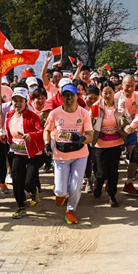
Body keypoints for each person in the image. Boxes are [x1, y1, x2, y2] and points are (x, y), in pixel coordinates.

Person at [44, 83, 93, 224]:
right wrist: (47, 144)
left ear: (77, 96)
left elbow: (90, 134)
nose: (69, 98)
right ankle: (61, 194)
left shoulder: (83, 113)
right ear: (61, 97)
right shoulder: (55, 114)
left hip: (79, 154)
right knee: (60, 190)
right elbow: (47, 130)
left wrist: (82, 139)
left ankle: (71, 210)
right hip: (61, 155)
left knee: (76, 187)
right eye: (66, 95)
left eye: (72, 95)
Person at [4, 87, 46, 219]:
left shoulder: (32, 116)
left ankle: (33, 191)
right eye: (15, 100)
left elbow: (40, 131)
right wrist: (2, 135)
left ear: (26, 101)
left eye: (20, 100)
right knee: (16, 181)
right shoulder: (9, 115)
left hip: (33, 153)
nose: (17, 103)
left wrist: (30, 136)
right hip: (17, 153)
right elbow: (8, 134)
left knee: (28, 183)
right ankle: (21, 207)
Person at [91, 81, 126, 207]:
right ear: (101, 93)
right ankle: (98, 184)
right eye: (105, 92)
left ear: (114, 92)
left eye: (110, 92)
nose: (107, 95)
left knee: (113, 171)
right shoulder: (96, 107)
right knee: (101, 173)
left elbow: (127, 121)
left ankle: (112, 196)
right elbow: (90, 123)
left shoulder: (119, 105)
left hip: (116, 143)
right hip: (100, 144)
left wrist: (123, 115)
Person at [115, 75, 138, 195]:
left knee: (134, 156)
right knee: (114, 159)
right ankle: (109, 182)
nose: (129, 89)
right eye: (127, 86)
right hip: (116, 132)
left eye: (132, 86)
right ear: (121, 86)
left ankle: (128, 183)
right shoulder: (116, 97)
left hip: (131, 131)